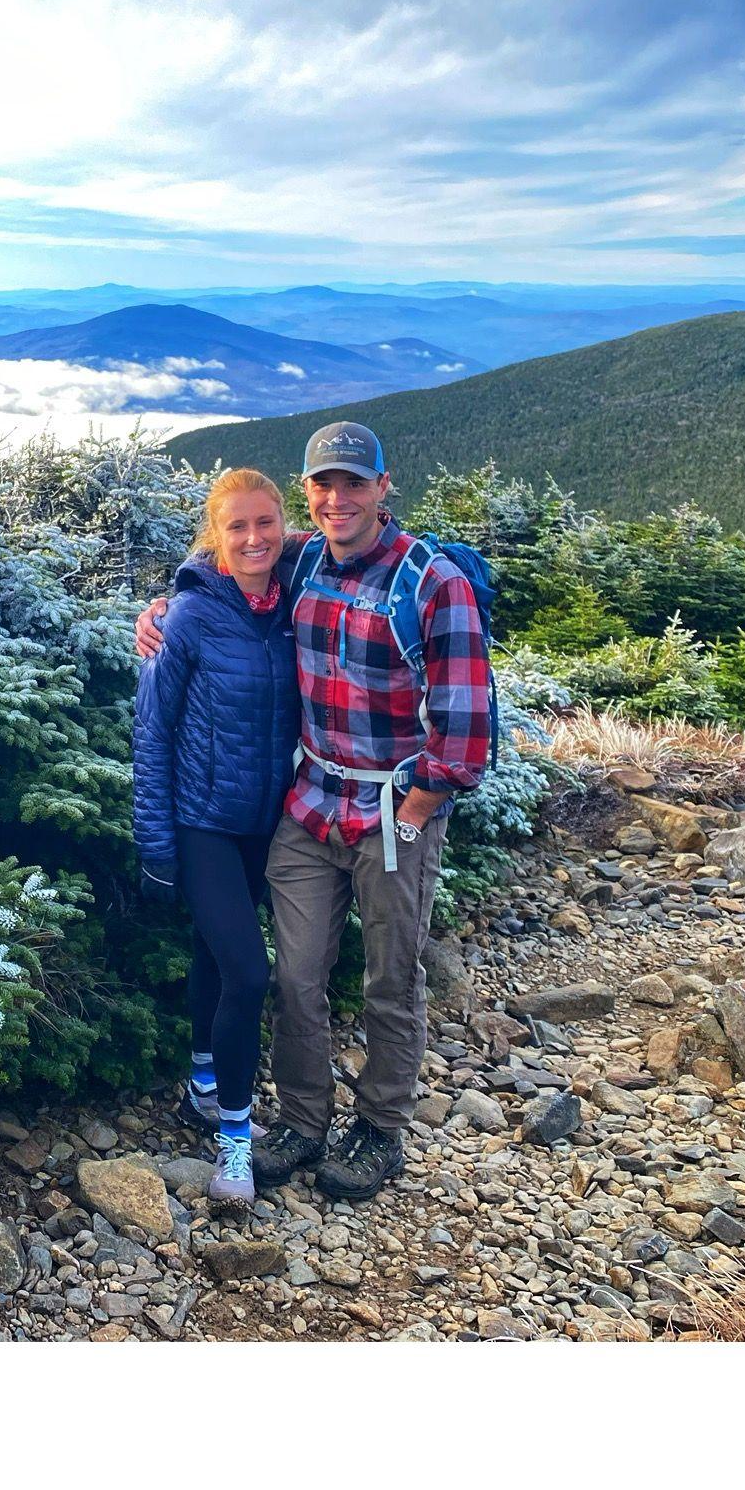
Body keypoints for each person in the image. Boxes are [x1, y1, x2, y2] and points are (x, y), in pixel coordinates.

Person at [136, 422, 489, 1202]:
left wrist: (413, 813)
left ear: (382, 487)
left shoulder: (430, 583)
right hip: (309, 803)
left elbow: (466, 733)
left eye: (354, 483)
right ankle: (301, 1118)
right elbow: (232, 553)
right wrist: (165, 604)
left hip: (391, 810)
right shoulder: (304, 557)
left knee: (388, 980)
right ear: (310, 493)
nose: (339, 498)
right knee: (293, 976)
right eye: (324, 484)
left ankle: (379, 1129)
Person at [132, 468, 303, 1203]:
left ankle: (201, 1083)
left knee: (214, 954)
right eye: (237, 526)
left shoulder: (298, 598)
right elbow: (151, 731)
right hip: (202, 822)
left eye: (265, 522)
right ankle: (234, 1141)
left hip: (267, 824)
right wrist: (157, 847)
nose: (253, 537)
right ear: (215, 534)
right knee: (250, 972)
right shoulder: (189, 617)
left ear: (285, 526)